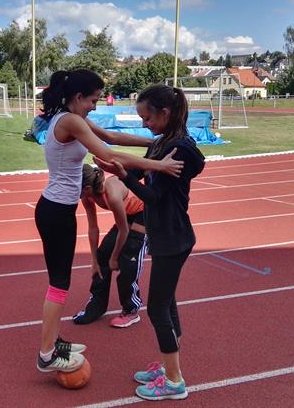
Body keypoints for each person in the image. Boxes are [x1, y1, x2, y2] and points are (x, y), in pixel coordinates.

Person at [34, 69, 184, 374]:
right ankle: (46, 354)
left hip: (56, 209)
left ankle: (53, 340)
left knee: (59, 282)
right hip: (55, 212)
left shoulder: (70, 117)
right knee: (59, 285)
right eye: (93, 99)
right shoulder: (70, 120)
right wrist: (159, 164)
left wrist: (154, 143)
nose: (95, 106)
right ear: (77, 97)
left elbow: (111, 136)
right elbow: (107, 153)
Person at [96, 84, 205, 401]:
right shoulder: (162, 144)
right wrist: (119, 170)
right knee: (166, 303)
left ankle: (174, 382)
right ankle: (169, 365)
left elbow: (154, 196)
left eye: (147, 117)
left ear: (165, 114)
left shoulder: (179, 149)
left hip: (173, 236)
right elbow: (144, 180)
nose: (144, 123)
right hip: (165, 235)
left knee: (157, 309)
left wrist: (126, 177)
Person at [72, 164, 147, 328]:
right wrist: (94, 260)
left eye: (74, 187)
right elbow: (93, 228)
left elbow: (123, 230)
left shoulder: (111, 193)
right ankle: (97, 305)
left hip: (146, 214)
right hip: (127, 217)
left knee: (128, 260)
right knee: (102, 256)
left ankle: (131, 310)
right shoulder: (87, 196)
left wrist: (115, 258)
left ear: (86, 188)